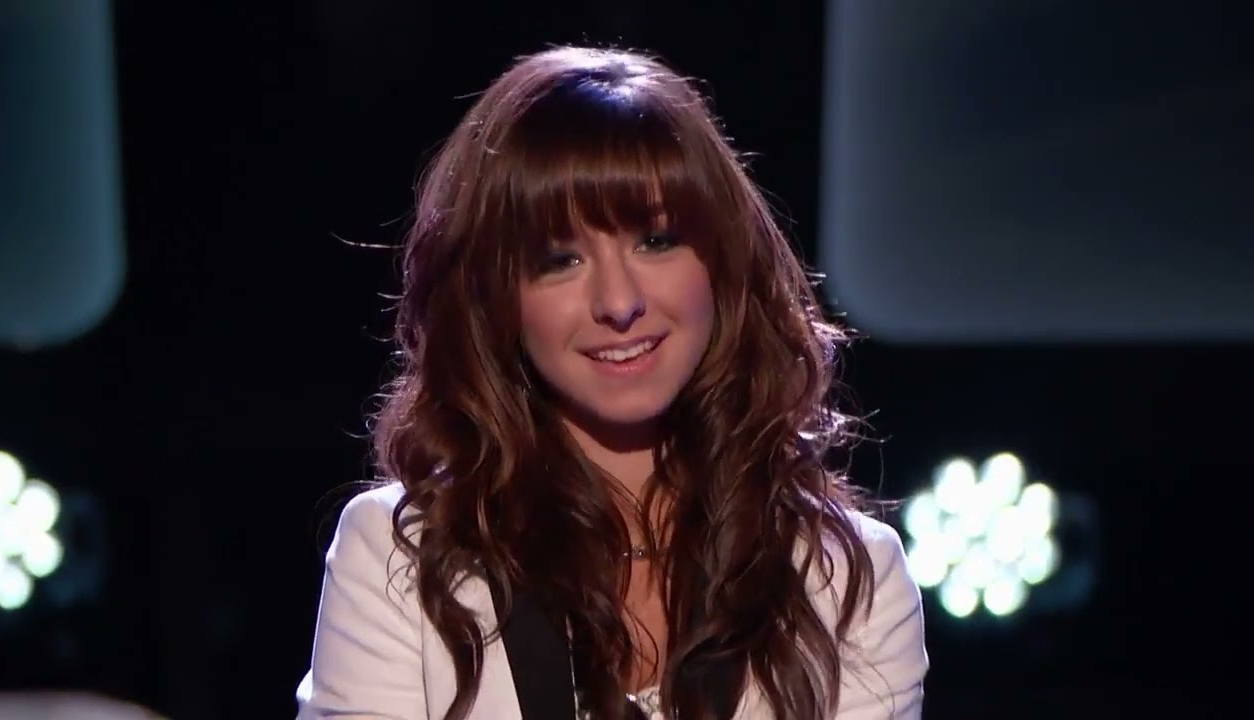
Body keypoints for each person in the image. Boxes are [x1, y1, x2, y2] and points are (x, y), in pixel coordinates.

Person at [295, 45, 927, 720]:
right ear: (496, 299)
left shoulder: (847, 579)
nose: (619, 303)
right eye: (559, 259)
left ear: (721, 262)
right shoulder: (399, 556)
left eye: (656, 241)